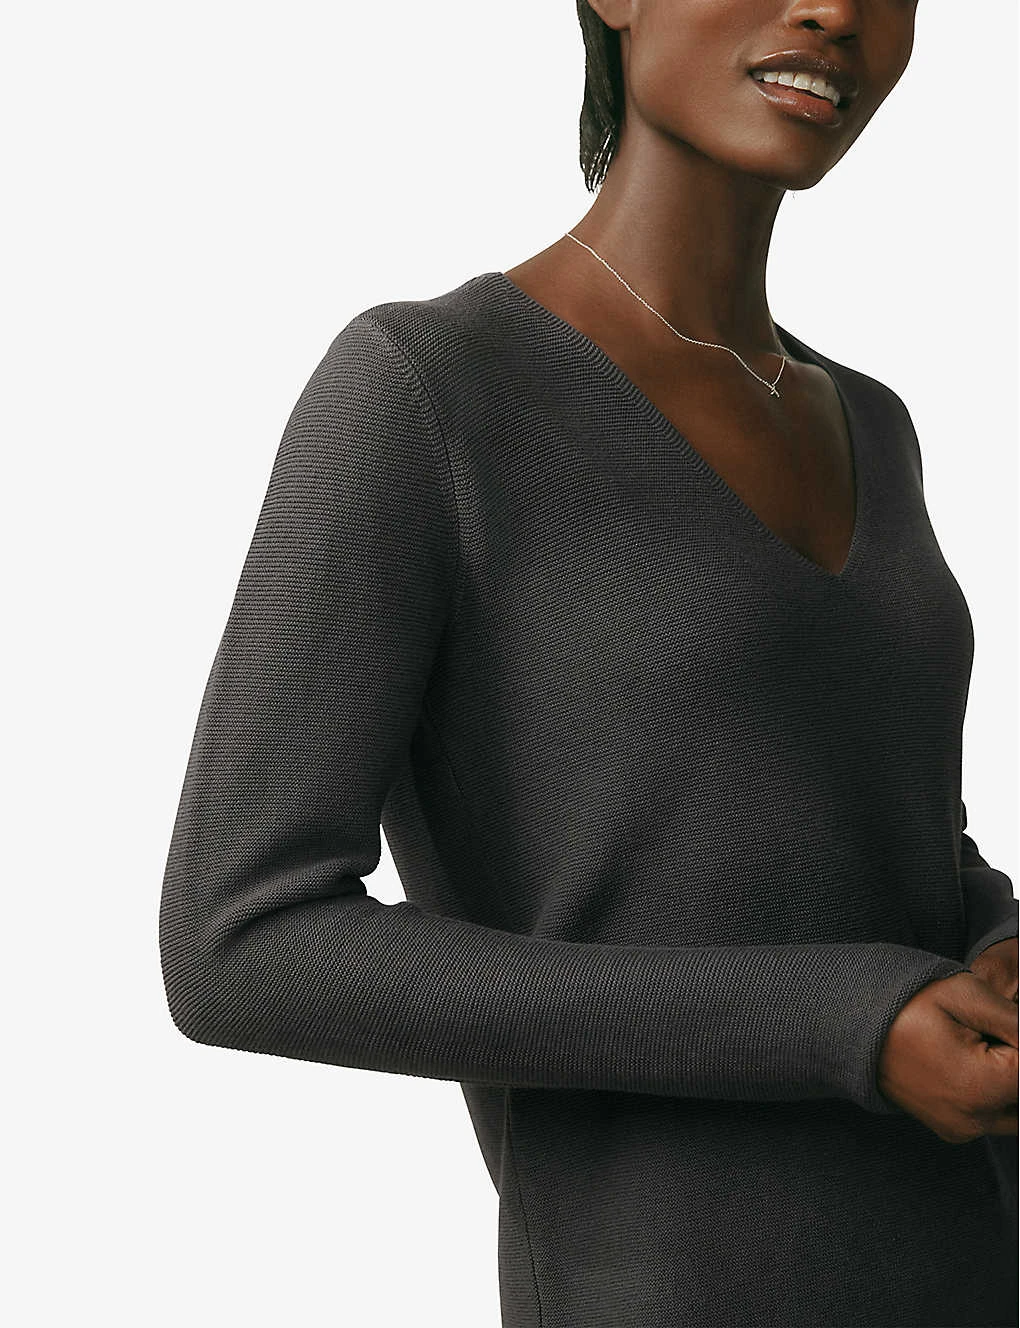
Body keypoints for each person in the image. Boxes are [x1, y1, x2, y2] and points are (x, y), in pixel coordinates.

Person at [158, 1, 1019, 1324]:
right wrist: (841, 1022)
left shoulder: (873, 424)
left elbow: (866, 839)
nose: (838, 10)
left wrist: (994, 939)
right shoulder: (429, 389)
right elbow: (241, 945)